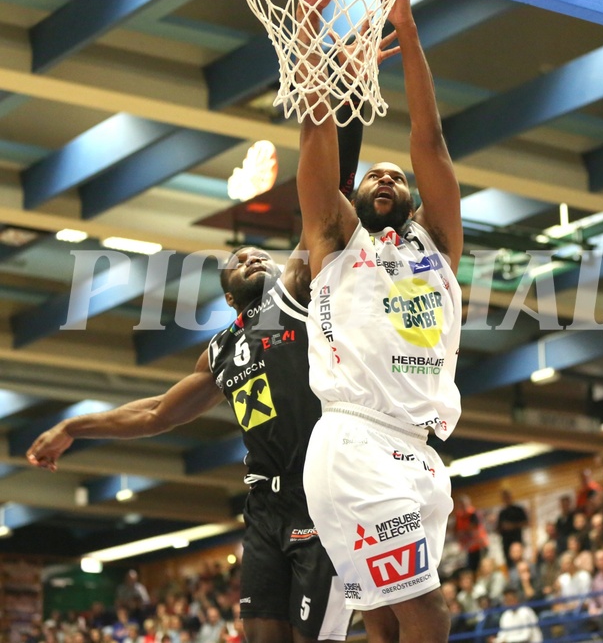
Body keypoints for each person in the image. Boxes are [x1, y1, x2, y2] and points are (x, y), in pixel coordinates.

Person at [25, 241, 358, 639]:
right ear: (229, 296)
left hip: (319, 492)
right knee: (261, 634)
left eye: (262, 256)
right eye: (238, 260)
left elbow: (319, 225)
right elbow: (156, 413)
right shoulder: (220, 351)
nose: (253, 258)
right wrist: (73, 427)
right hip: (265, 507)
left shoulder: (298, 297)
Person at [295, 0, 463, 643]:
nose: (386, 175)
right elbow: (315, 129)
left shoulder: (438, 248)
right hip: (356, 439)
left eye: (398, 176)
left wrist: (408, 30)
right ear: (354, 198)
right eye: (374, 175)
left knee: (388, 623)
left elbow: (431, 138)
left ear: (417, 200)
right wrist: (308, 18)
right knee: (425, 612)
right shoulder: (335, 239)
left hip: (422, 451)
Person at [497, 491, 530, 567]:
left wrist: (513, 526)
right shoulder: (502, 513)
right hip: (506, 543)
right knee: (509, 565)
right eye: (504, 498)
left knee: (520, 562)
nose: (506, 499)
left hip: (517, 540)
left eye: (507, 497)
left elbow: (526, 523)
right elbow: (498, 528)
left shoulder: (518, 510)